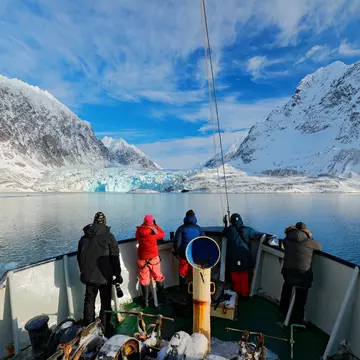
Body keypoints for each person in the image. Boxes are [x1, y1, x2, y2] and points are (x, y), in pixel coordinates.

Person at [77, 212, 122, 335]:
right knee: (105, 302)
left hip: (89, 277)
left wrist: (84, 272)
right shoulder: (109, 237)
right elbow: (114, 258)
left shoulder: (84, 238)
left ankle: (88, 329)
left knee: (89, 301)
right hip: (104, 277)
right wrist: (117, 275)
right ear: (104, 222)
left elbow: (79, 258)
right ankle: (105, 327)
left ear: (95, 222)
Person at [279, 222, 322, 325]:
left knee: (287, 288)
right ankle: (297, 321)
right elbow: (319, 247)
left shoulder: (286, 240)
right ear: (306, 231)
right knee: (301, 297)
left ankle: (282, 311)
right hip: (302, 275)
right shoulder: (310, 242)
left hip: (288, 272)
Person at [222, 213, 261, 297]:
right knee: (244, 274)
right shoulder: (248, 230)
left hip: (232, 257)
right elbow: (254, 235)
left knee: (235, 274)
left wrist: (226, 224)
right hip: (245, 256)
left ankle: (237, 293)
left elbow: (223, 233)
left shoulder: (229, 230)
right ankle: (244, 293)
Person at [135, 215, 166, 307]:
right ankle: (162, 299)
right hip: (153, 258)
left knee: (144, 280)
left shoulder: (139, 231)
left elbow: (136, 236)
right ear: (152, 222)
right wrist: (155, 226)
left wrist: (144, 226)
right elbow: (162, 234)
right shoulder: (153, 231)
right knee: (158, 277)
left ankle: (146, 302)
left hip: (142, 259)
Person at [173, 210, 204, 287]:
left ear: (185, 217)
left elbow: (177, 243)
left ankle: (183, 289)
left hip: (184, 254)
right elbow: (204, 240)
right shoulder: (198, 228)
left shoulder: (181, 228)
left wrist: (177, 253)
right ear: (194, 217)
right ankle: (196, 290)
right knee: (195, 272)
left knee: (183, 272)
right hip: (195, 254)